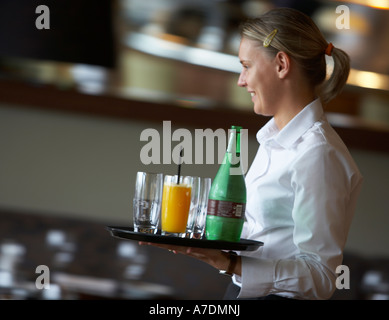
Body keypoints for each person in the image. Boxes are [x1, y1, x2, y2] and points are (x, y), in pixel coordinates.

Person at [140, 7, 363, 300]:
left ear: (282, 64)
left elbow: (321, 277)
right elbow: (264, 235)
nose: (241, 80)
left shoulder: (317, 154)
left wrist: (231, 263)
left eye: (247, 66)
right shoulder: (274, 139)